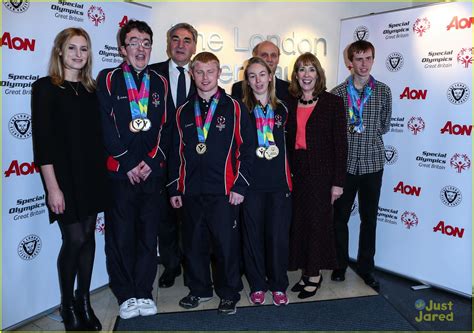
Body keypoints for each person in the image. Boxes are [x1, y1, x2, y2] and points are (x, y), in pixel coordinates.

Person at [168, 52, 255, 315]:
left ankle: (229, 293)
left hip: (224, 192)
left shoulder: (235, 107)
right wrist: (175, 187)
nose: (205, 78)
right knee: (193, 244)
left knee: (225, 245)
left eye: (210, 72)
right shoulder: (183, 111)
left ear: (219, 74)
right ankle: (199, 289)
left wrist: (240, 186)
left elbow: (247, 150)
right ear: (192, 74)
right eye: (200, 72)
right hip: (191, 191)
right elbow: (176, 152)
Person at [32, 27, 107, 331]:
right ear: (60, 51)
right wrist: (52, 188)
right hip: (63, 177)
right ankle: (66, 304)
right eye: (72, 48)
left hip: (92, 174)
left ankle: (84, 301)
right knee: (73, 238)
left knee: (87, 238)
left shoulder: (92, 90)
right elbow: (43, 143)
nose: (78, 54)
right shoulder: (45, 88)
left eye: (84, 49)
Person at [96, 20, 171, 319]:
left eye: (146, 43)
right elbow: (105, 125)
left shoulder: (160, 82)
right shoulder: (108, 78)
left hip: (151, 173)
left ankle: (143, 290)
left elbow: (165, 128)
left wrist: (151, 163)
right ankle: (125, 293)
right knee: (121, 235)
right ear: (122, 48)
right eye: (134, 42)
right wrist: (128, 162)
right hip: (120, 173)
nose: (141, 49)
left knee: (147, 234)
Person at [330, 40, 392, 289]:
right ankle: (339, 265)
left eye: (368, 58)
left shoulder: (384, 91)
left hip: (373, 164)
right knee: (339, 219)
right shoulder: (337, 94)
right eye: (358, 59)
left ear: (373, 60)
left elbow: (385, 125)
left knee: (369, 218)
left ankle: (366, 268)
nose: (363, 64)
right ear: (350, 63)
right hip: (344, 166)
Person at [286, 52, 347, 299]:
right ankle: (305, 272)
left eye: (311, 69)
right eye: (301, 70)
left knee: (318, 225)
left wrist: (338, 183)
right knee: (300, 224)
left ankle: (314, 275)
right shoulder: (290, 103)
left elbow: (341, 146)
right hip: (297, 172)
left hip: (323, 174)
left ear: (318, 74)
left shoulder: (333, 103)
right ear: (296, 75)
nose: (306, 75)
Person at [240, 57, 292, 306]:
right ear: (247, 81)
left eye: (262, 74)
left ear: (271, 77)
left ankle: (279, 284)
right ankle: (258, 284)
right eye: (252, 76)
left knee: (278, 237)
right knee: (253, 238)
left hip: (279, 184)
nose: (258, 80)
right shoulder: (241, 110)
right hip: (250, 185)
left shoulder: (283, 108)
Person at [150, 22, 197, 288]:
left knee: (191, 217)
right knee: (165, 217)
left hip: (193, 161)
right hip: (160, 158)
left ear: (194, 46)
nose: (181, 45)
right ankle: (170, 265)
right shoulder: (153, 74)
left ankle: (193, 264)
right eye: (176, 39)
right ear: (168, 43)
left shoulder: (202, 74)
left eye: (187, 40)